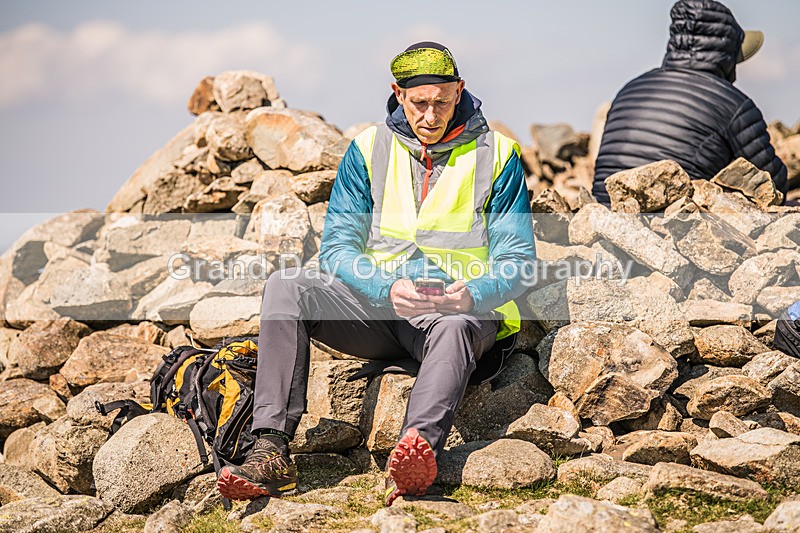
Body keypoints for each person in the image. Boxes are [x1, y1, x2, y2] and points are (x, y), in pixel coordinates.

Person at [216, 41, 536, 506]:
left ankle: (414, 457)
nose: (431, 115)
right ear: (398, 94)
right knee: (286, 286)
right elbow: (337, 249)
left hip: (458, 315)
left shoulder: (497, 154)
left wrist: (472, 294)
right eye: (419, 103)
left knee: (453, 327)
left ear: (460, 89)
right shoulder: (367, 149)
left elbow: (518, 259)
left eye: (442, 102)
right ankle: (270, 450)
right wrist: (386, 287)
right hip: (382, 309)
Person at [592, 0, 788, 205]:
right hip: (672, 221)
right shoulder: (734, 104)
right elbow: (773, 186)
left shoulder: (629, 89)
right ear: (728, 55)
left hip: (600, 214)